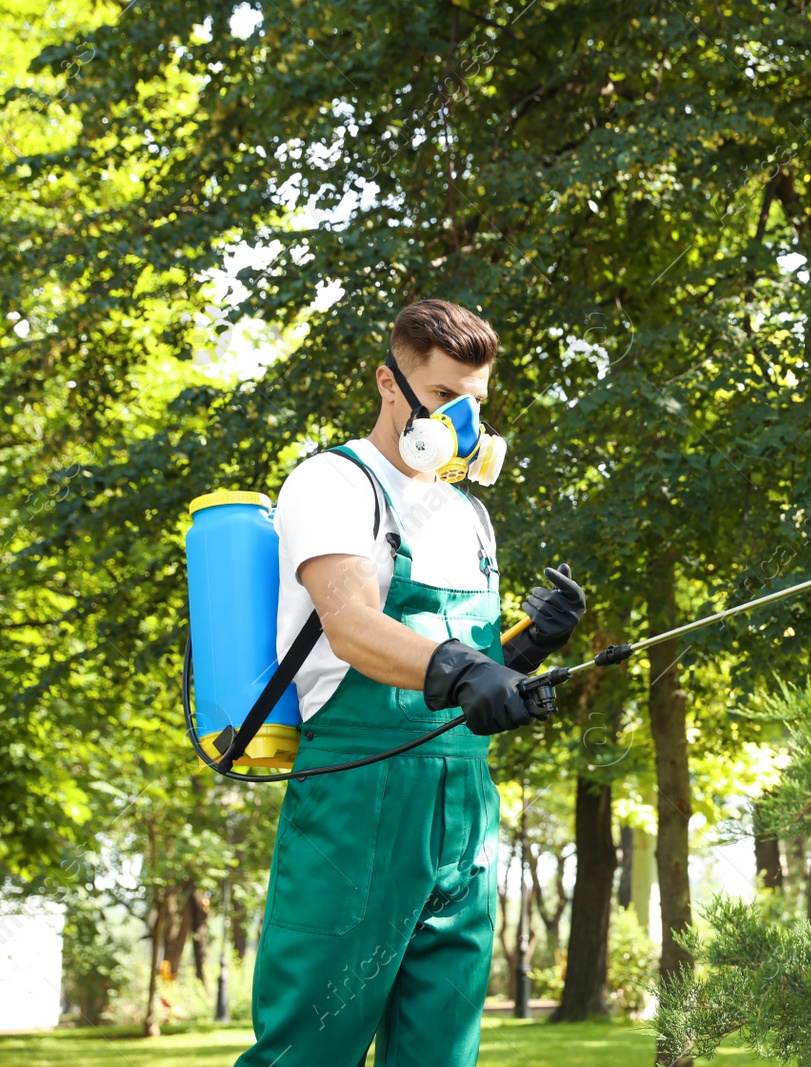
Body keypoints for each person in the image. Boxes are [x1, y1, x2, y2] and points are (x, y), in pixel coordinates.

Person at [235, 300, 584, 1066]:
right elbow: (352, 624)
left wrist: (522, 656)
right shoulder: (336, 482)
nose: (463, 420)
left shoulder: (467, 513)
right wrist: (464, 669)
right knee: (310, 1047)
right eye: (444, 397)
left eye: (477, 403)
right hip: (359, 799)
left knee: (440, 1052)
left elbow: (464, 662)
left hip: (465, 809)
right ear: (390, 385)